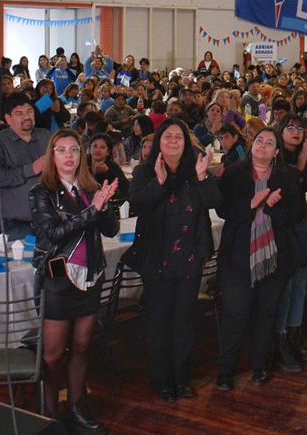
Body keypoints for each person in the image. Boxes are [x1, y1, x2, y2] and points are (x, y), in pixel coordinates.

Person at [29, 130, 120, 429]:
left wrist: (105, 206)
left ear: (81, 156)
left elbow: (109, 230)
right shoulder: (41, 193)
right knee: (54, 355)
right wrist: (92, 210)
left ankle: (77, 407)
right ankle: (50, 411)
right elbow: (53, 233)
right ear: (51, 156)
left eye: (74, 150)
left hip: (89, 278)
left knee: (82, 346)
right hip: (57, 282)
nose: (68, 155)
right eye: (61, 150)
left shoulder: (89, 188)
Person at [127, 119, 220, 403]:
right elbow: (137, 205)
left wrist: (204, 178)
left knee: (184, 321)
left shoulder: (196, 171)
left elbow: (216, 201)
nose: (172, 141)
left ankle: (181, 378)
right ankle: (162, 379)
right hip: (156, 259)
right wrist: (159, 182)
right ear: (158, 142)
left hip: (190, 257)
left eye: (178, 136)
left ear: (186, 141)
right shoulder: (145, 171)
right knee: (159, 321)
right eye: (167, 136)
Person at [215, 128, 303, 389]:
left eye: (269, 143)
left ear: (276, 152)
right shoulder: (234, 174)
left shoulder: (285, 177)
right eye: (259, 141)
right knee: (236, 314)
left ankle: (259, 366)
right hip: (238, 257)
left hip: (273, 257)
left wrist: (274, 207)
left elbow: (298, 213)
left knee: (266, 314)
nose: (263, 146)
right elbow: (222, 209)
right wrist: (251, 205)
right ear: (252, 145)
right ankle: (226, 370)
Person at [274, 114, 307, 372]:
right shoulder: (274, 157)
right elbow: (282, 186)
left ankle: (294, 335)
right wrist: (299, 168)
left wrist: (305, 163)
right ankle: (280, 340)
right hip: (281, 225)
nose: (294, 131)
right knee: (286, 284)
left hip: (300, 221)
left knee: (300, 283)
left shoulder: (304, 156)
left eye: (299, 128)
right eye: (290, 127)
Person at [0, 95, 52, 243]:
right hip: (11, 225)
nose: (26, 117)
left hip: (46, 220)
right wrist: (30, 169)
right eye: (19, 114)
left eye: (29, 112)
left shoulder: (46, 136)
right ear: (8, 119)